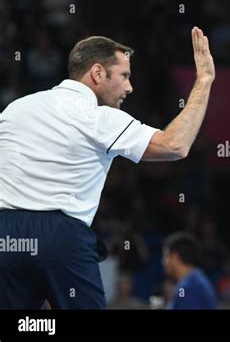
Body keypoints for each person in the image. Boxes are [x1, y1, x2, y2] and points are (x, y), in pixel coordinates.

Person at [0, 27, 215, 309]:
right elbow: (175, 145)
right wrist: (205, 80)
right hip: (61, 235)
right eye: (124, 75)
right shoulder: (99, 117)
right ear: (98, 73)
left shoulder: (16, 109)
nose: (130, 87)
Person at [162, 232, 218, 310]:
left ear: (175, 257)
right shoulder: (194, 282)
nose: (164, 261)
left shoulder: (190, 288)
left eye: (166, 256)